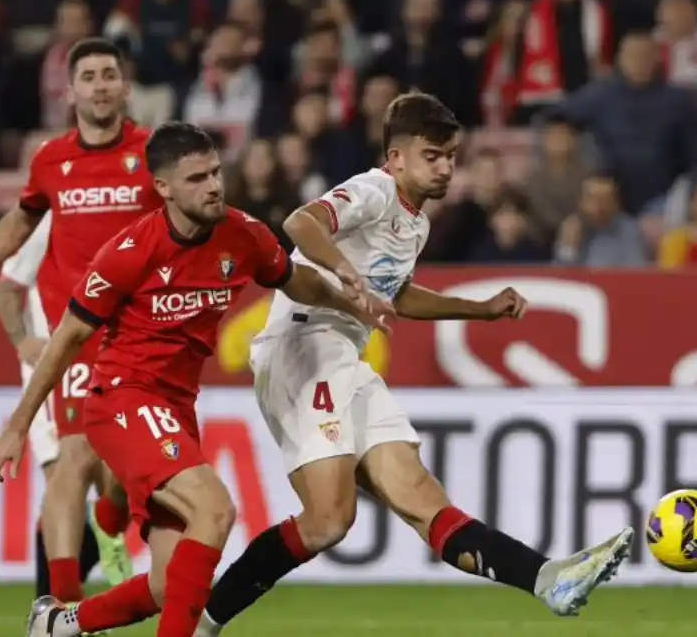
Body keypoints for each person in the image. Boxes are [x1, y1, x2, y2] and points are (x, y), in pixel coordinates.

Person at [194, 93, 634, 637]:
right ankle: (205, 621)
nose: (446, 167)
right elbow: (301, 223)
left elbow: (396, 294)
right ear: (396, 158)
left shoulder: (416, 224)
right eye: (433, 155)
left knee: (426, 503)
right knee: (328, 520)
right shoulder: (373, 190)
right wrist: (346, 277)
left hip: (345, 359)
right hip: (302, 348)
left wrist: (479, 310)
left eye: (451, 156)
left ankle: (549, 579)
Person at [0, 122, 390, 637]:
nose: (214, 185)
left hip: (174, 408)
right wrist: (18, 425)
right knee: (215, 509)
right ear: (164, 188)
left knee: (166, 585)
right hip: (122, 400)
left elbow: (292, 277)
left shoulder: (243, 234)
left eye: (216, 171)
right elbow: (65, 339)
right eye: (197, 178)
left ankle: (59, 623)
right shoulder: (130, 251)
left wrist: (347, 297)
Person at [0, 37, 161, 604]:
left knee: (122, 471)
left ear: (124, 85)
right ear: (71, 91)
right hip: (78, 332)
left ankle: (109, 527)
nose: (101, 85)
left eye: (110, 74)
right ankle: (59, 605)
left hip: (139, 333)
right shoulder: (51, 161)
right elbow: (17, 226)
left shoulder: (154, 154)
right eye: (89, 76)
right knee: (72, 460)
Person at [0, 211, 133, 593]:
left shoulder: (132, 210)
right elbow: (6, 288)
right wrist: (23, 340)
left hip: (110, 355)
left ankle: (107, 528)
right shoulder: (57, 216)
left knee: (118, 481)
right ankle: (54, 603)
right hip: (56, 365)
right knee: (65, 472)